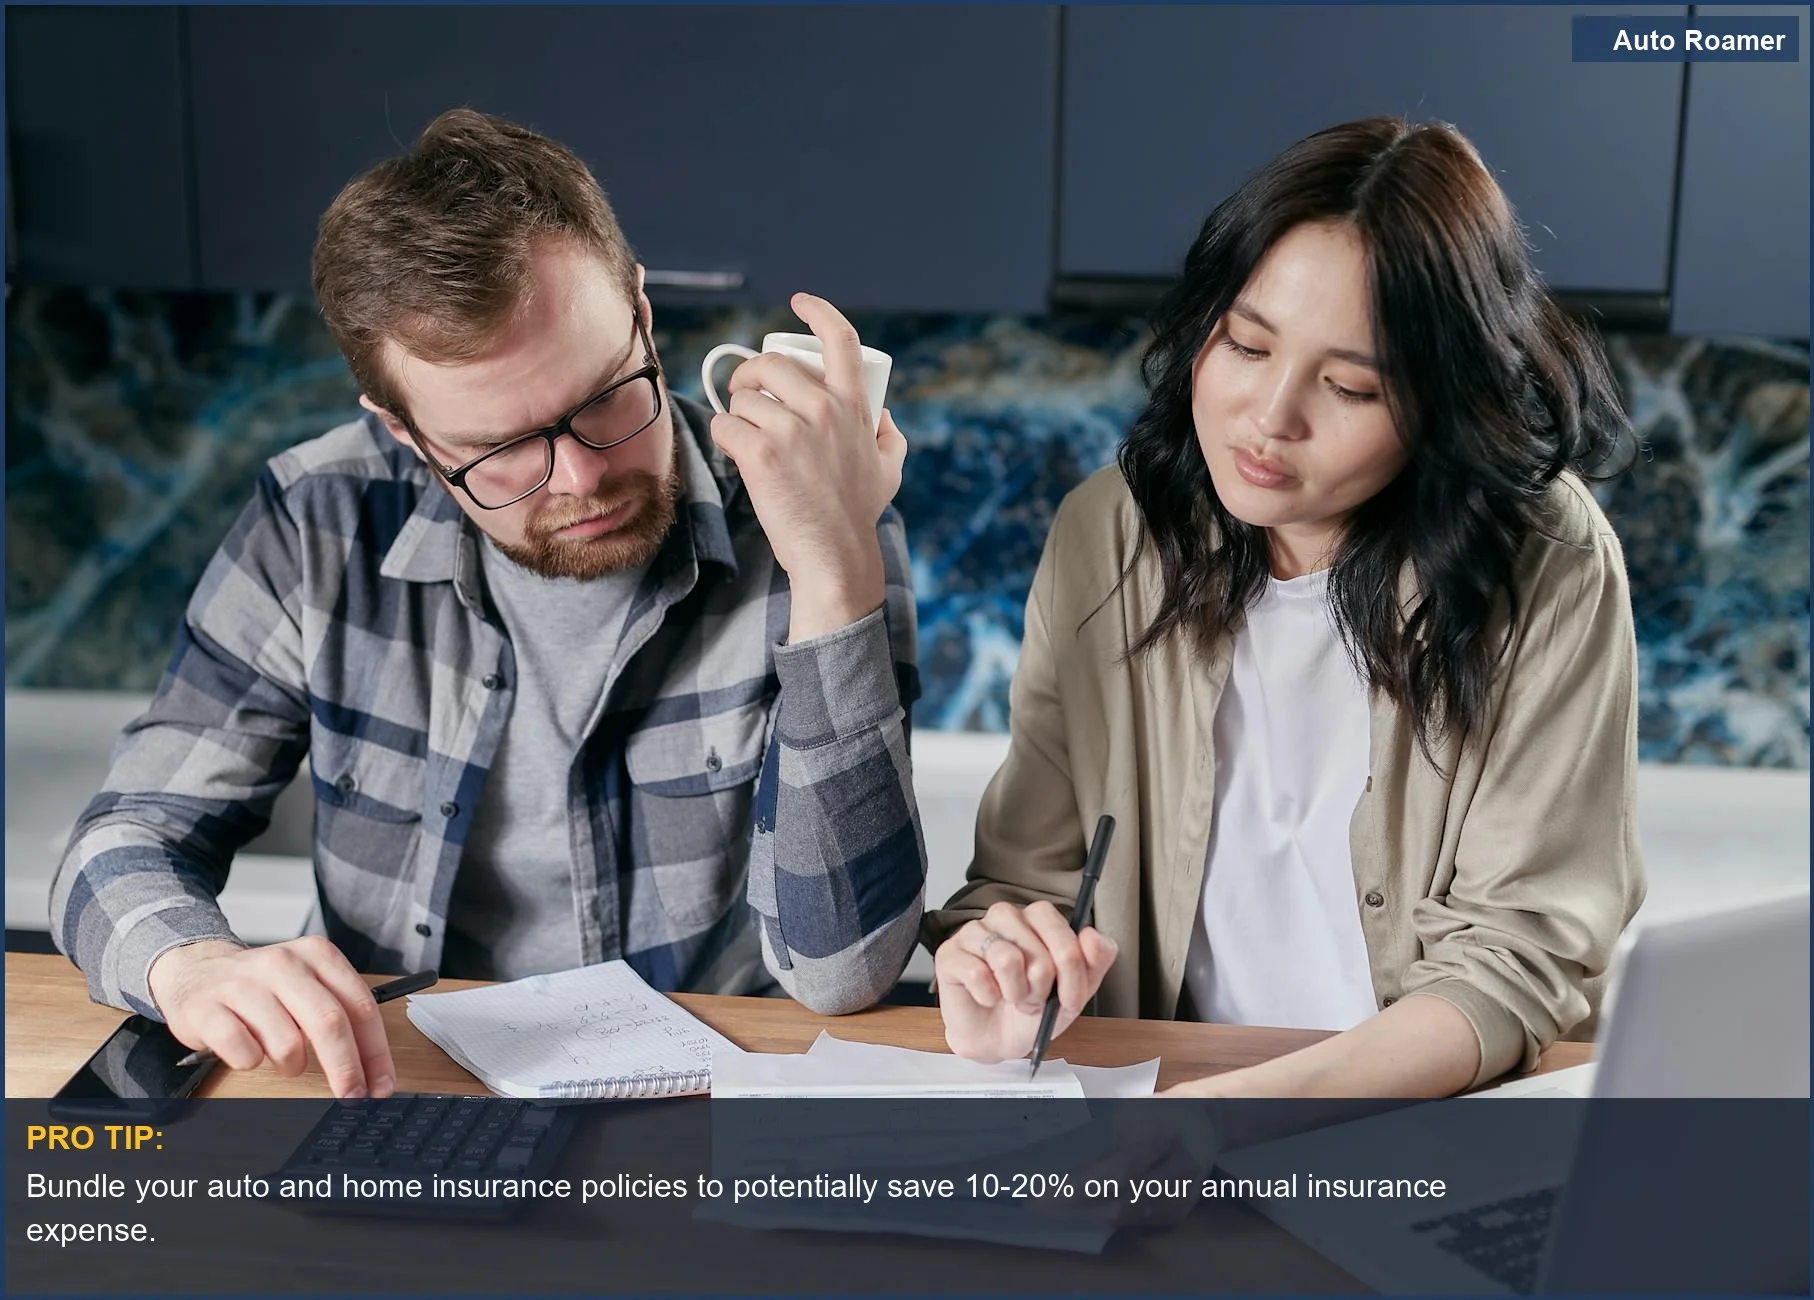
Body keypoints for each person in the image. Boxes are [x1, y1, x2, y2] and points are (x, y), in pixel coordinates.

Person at [51, 109, 927, 1098]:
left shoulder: (814, 514)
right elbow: (127, 837)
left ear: (641, 316)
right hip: (397, 1085)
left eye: (603, 397)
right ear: (405, 433)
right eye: (499, 450)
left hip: (696, 1099)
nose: (580, 479)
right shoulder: (317, 518)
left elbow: (842, 971)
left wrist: (833, 573)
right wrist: (189, 964)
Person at [924, 117, 1646, 1098]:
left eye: (1349, 387)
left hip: (1417, 1117)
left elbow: (1514, 961)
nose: (1269, 418)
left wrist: (1227, 1122)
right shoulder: (1110, 534)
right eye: (1245, 344)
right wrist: (1004, 970)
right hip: (1170, 1110)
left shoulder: (1548, 561)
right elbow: (1029, 881)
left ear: (1440, 401)